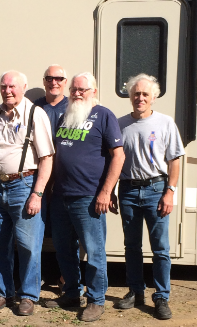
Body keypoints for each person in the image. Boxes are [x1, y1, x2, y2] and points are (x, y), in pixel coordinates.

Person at [44, 72, 125, 322]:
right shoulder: (65, 116)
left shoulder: (104, 115)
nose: (77, 93)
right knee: (64, 250)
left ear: (94, 92)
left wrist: (106, 191)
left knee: (94, 251)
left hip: (88, 197)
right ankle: (70, 293)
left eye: (83, 89)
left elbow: (118, 156)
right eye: (75, 89)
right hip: (60, 196)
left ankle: (96, 299)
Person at [0, 70, 55, 316]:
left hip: (24, 186)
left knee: (28, 245)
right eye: (3, 86)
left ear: (23, 87)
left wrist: (38, 194)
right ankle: (3, 293)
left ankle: (28, 296)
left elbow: (46, 158)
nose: (7, 90)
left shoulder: (35, 114)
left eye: (12, 86)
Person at [116, 73, 184, 320]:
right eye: (136, 93)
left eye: (145, 94)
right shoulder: (120, 124)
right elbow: (114, 161)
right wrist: (112, 191)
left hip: (157, 190)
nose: (140, 98)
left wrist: (170, 192)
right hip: (128, 190)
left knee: (161, 249)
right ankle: (136, 291)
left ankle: (161, 297)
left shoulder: (166, 123)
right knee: (132, 246)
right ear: (130, 96)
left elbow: (175, 160)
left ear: (153, 97)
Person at [33, 64, 68, 293]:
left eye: (58, 78)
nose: (53, 82)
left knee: (66, 234)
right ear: (44, 81)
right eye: (49, 78)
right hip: (39, 179)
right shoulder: (35, 107)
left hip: (66, 181)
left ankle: (67, 280)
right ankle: (34, 282)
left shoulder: (74, 108)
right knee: (36, 232)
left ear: (65, 81)